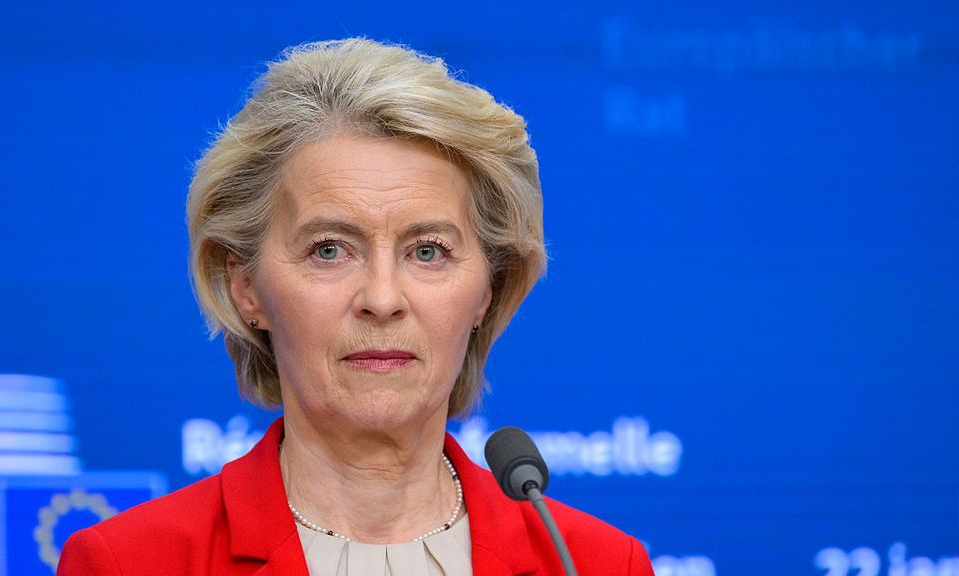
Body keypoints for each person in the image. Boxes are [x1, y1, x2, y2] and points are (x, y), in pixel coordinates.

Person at [58, 38, 654, 576]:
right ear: (244, 287)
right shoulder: (129, 562)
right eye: (328, 250)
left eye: (428, 251)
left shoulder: (595, 563)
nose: (383, 299)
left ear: (488, 289)